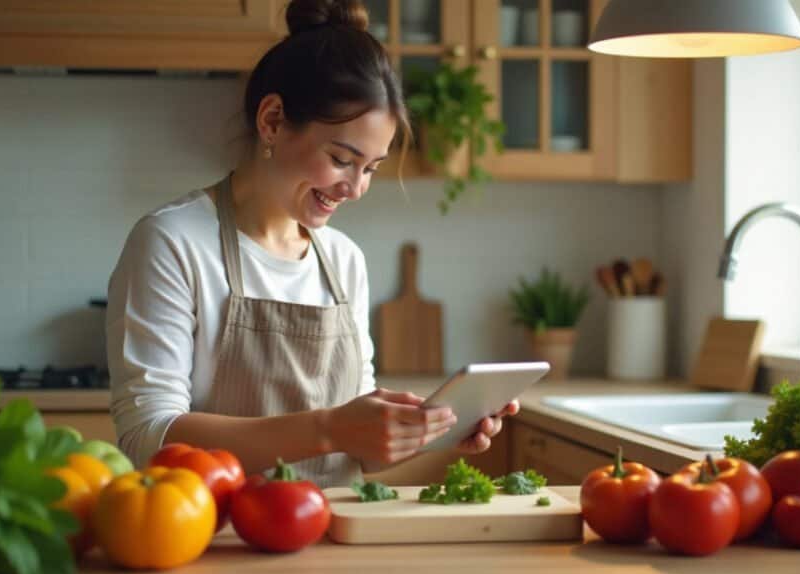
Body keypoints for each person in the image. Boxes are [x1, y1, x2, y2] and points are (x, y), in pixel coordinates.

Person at [106, 0, 518, 488]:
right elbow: (149, 437)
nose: (356, 187)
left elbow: (357, 454)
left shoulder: (343, 260)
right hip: (215, 538)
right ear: (273, 120)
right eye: (343, 158)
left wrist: (436, 430)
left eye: (371, 169)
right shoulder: (173, 243)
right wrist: (331, 427)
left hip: (334, 542)